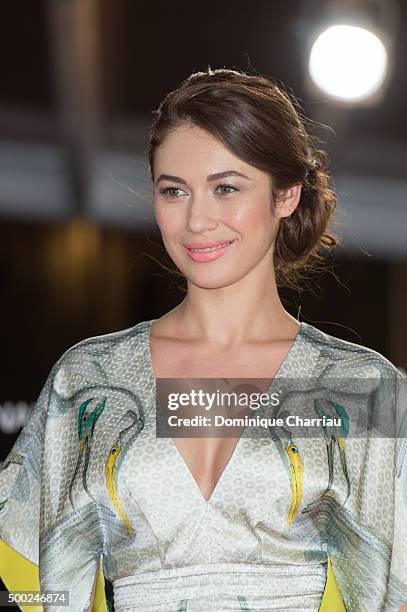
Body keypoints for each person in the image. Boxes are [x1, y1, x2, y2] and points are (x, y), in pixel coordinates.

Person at [0, 67, 406, 612]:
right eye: (175, 191)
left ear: (286, 194)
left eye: (226, 188)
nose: (197, 220)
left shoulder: (362, 387)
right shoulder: (90, 378)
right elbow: (23, 567)